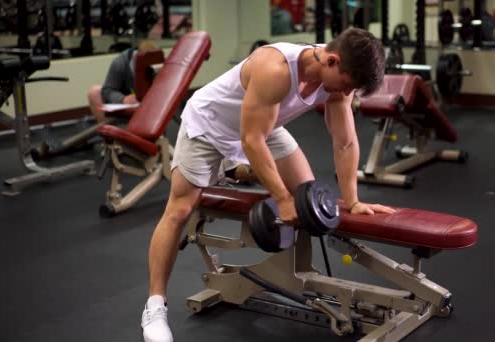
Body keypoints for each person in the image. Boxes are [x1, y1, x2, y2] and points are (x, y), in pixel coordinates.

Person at [140, 28, 396, 342]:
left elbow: (344, 142)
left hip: (264, 124)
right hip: (211, 126)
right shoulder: (274, 68)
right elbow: (251, 140)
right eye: (346, 84)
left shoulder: (339, 82)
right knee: (179, 210)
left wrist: (353, 200)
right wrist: (279, 197)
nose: (345, 93)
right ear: (332, 60)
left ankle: (237, 173)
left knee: (308, 199)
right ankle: (154, 307)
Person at [87, 40, 159, 123]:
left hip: (149, 101)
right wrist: (123, 99)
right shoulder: (121, 62)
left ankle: (157, 132)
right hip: (126, 99)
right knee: (94, 92)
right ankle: (110, 133)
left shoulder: (157, 64)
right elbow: (107, 90)